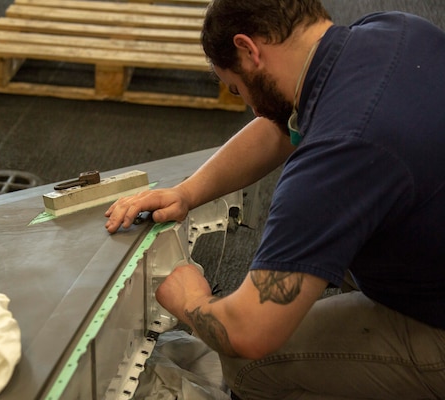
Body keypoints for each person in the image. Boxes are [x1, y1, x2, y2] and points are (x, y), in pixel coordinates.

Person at [105, 0, 445, 398]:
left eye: (238, 88)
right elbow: (283, 125)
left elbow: (247, 332)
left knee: (248, 364)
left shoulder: (338, 155)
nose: (249, 104)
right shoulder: (396, 31)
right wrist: (186, 193)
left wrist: (191, 300)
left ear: (249, 50)